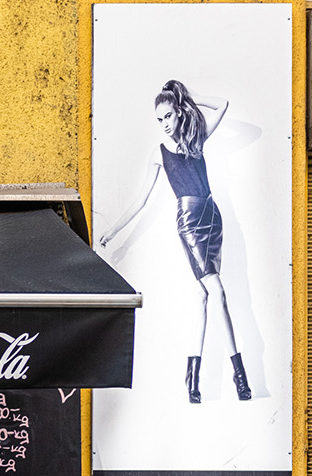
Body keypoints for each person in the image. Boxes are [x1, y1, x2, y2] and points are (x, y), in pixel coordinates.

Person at [96, 80, 251, 404]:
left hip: (213, 217)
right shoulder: (159, 154)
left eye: (168, 115)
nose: (164, 124)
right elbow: (140, 200)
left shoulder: (197, 140)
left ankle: (192, 381)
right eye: (159, 119)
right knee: (217, 291)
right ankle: (241, 378)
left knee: (203, 297)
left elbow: (222, 103)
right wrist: (113, 231)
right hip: (190, 224)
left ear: (179, 113)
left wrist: (188, 98)